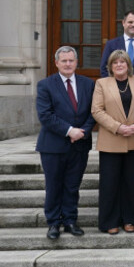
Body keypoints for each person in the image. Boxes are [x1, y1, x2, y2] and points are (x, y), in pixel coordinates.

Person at [36, 46, 95, 239]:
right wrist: (70, 131)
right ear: (56, 63)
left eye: (71, 60)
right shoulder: (45, 85)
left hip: (79, 145)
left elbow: (93, 112)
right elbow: (45, 115)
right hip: (53, 146)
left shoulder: (88, 84)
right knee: (54, 185)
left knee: (72, 185)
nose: (68, 64)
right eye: (64, 61)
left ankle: (70, 220)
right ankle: (53, 223)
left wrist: (82, 132)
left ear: (77, 62)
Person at [91, 50, 134, 234]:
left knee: (133, 182)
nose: (119, 65)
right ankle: (110, 222)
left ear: (128, 64)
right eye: (115, 62)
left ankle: (131, 219)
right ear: (110, 66)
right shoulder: (102, 83)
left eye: (123, 62)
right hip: (111, 139)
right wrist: (117, 127)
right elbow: (97, 110)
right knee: (110, 183)